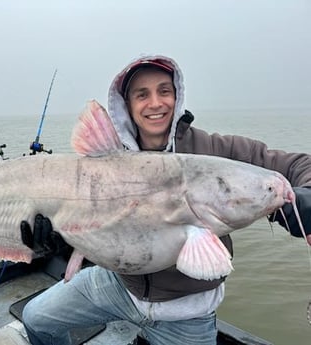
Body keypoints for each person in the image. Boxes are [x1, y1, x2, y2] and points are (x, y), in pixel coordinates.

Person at [21, 55, 311, 345]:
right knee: (36, 318)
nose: (155, 103)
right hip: (119, 285)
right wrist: (57, 235)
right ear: (128, 105)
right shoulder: (105, 162)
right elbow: (71, 208)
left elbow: (298, 166)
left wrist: (306, 197)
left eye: (164, 91)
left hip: (186, 313)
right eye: (142, 94)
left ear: (177, 96)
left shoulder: (212, 150)